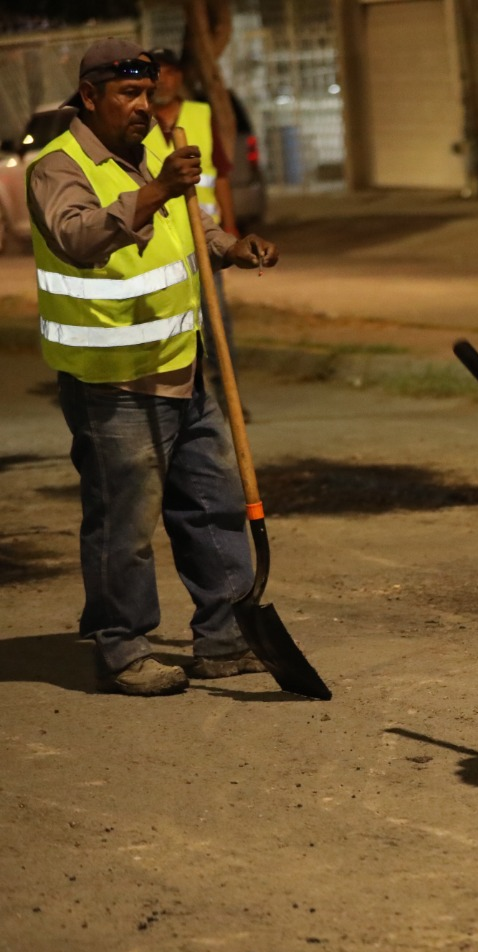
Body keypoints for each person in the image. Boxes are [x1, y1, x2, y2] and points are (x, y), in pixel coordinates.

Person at [27, 39, 280, 696]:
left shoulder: (147, 157)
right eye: (129, 94)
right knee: (125, 522)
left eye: (149, 93)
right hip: (114, 382)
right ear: (90, 96)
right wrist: (160, 188)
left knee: (214, 505)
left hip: (184, 366)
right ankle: (123, 648)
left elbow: (192, 225)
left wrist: (232, 247)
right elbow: (78, 238)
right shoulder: (58, 167)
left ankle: (225, 638)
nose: (145, 106)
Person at [141, 47, 242, 418]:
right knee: (167, 322)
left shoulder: (201, 115)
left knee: (216, 323)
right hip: (157, 242)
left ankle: (228, 397)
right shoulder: (137, 120)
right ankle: (176, 399)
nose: (163, 80)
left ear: (180, 76)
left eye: (169, 72)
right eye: (157, 73)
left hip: (202, 240)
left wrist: (230, 228)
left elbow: (221, 174)